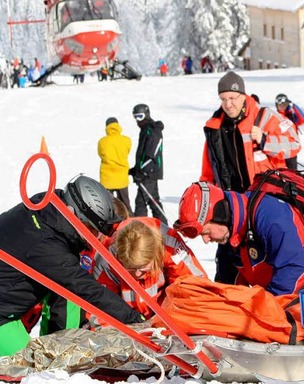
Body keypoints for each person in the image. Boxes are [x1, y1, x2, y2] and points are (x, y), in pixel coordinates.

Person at [0, 175, 144, 356]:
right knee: (31, 370)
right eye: (92, 230)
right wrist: (134, 319)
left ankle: (56, 349)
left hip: (9, 302)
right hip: (3, 316)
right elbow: (87, 289)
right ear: (76, 216)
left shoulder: (47, 210)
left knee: (66, 295)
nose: (96, 238)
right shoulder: (47, 244)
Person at [174, 181, 304, 295]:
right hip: (291, 290)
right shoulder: (230, 236)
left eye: (206, 232)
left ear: (220, 215)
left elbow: (294, 268)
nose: (206, 240)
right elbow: (229, 286)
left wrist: (264, 307)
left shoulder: (270, 218)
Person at [200, 71, 300, 191]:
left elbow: (294, 144)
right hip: (233, 199)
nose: (228, 104)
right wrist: (205, 193)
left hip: (267, 196)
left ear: (243, 96)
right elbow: (208, 172)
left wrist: (264, 140)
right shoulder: (215, 127)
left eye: (232, 98)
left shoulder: (264, 116)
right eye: (223, 99)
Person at [92, 217, 207, 319]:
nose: (137, 274)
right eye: (130, 269)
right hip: (127, 321)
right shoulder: (106, 260)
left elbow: (196, 287)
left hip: (168, 316)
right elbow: (100, 310)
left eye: (143, 269)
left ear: (155, 255)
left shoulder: (170, 246)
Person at [130, 104, 166, 223]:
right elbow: (143, 154)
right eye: (135, 117)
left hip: (149, 173)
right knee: (153, 200)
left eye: (140, 117)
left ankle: (140, 228)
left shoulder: (152, 130)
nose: (137, 121)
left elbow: (152, 154)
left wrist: (143, 171)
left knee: (141, 202)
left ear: (146, 115)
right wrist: (136, 169)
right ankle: (163, 228)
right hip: (148, 172)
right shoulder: (146, 130)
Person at [98, 117, 133, 214]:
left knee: (106, 204)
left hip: (107, 176)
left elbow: (100, 154)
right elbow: (127, 151)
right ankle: (131, 222)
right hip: (121, 177)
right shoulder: (126, 140)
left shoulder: (102, 141)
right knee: (125, 203)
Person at [275, 93, 304, 170]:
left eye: (285, 104)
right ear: (276, 105)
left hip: (292, 150)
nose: (282, 107)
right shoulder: (275, 117)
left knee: (293, 174)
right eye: (280, 105)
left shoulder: (291, 116)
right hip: (280, 150)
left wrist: (293, 106)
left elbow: (303, 119)